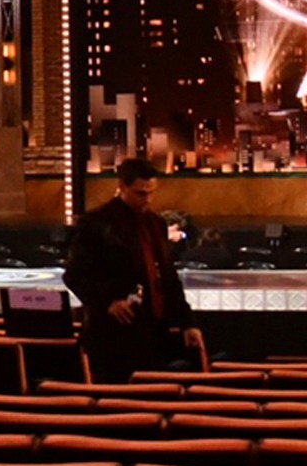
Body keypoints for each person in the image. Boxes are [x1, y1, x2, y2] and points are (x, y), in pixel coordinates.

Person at [63, 158, 203, 381]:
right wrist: (108, 302)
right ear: (122, 186)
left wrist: (188, 323)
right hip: (114, 334)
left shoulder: (155, 223)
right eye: (140, 193)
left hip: (154, 330)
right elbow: (74, 275)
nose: (147, 199)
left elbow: (168, 277)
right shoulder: (97, 224)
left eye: (151, 193)